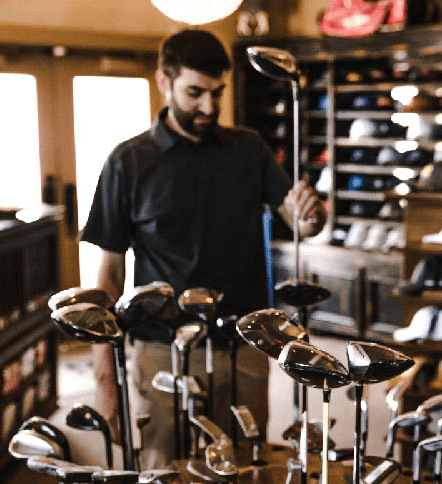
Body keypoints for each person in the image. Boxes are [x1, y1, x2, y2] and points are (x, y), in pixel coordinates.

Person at [80, 28, 325, 468]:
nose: (209, 107)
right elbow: (109, 277)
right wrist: (104, 380)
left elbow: (299, 223)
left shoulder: (249, 149)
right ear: (164, 81)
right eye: (195, 93)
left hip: (245, 342)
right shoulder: (127, 162)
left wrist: (312, 214)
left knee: (246, 465)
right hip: (162, 347)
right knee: (165, 466)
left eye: (217, 93)